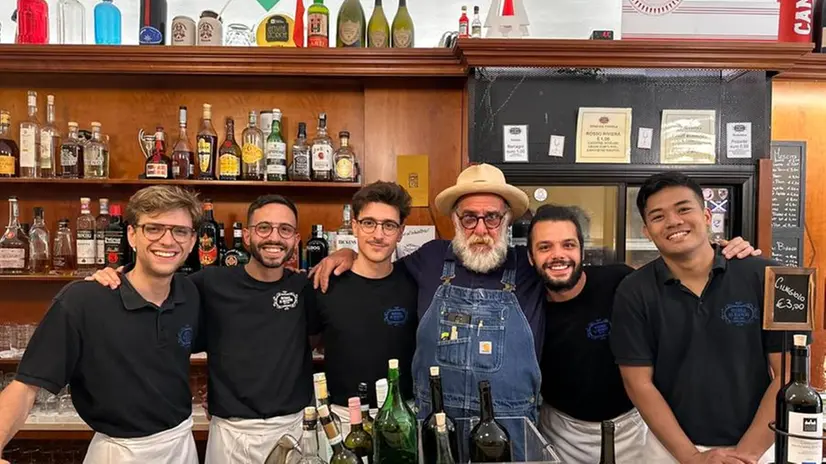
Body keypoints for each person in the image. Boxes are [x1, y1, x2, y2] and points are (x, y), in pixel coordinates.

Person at [313, 164, 760, 461]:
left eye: (493, 217)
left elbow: (667, 265)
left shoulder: (532, 267)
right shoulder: (429, 260)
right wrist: (347, 255)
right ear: (454, 222)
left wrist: (720, 249)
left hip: (515, 433)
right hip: (438, 429)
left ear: (508, 223)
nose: (482, 228)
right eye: (470, 218)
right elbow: (380, 262)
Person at [88, 194, 316, 464]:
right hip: (231, 433)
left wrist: (347, 255)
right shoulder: (209, 282)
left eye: (285, 229)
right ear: (246, 235)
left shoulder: (307, 287)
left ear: (297, 239)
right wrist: (114, 275)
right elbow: (153, 280)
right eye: (263, 228)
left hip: (294, 427)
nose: (274, 237)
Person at [0, 186, 203, 464]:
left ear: (192, 241)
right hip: (120, 453)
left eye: (180, 231)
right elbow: (25, 387)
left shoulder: (190, 294)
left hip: (181, 445)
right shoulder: (84, 300)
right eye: (153, 229)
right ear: (132, 235)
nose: (168, 241)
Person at [611, 171, 783, 464]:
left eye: (683, 209)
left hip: (762, 446)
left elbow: (788, 374)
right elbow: (638, 384)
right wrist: (691, 457)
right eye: (658, 216)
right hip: (670, 451)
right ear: (647, 231)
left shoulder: (766, 276)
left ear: (706, 215)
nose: (674, 222)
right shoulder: (633, 290)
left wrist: (747, 455)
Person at [527, 204, 647, 463]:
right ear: (530, 257)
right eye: (545, 247)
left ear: (582, 251)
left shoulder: (620, 281)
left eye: (568, 245)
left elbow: (680, 277)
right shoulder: (526, 307)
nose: (558, 255)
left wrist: (724, 250)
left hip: (633, 427)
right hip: (562, 433)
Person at [312, 181, 418, 435]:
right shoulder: (325, 283)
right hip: (341, 418)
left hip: (403, 416)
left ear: (401, 231)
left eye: (389, 225)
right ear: (355, 226)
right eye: (369, 223)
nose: (378, 235)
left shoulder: (416, 282)